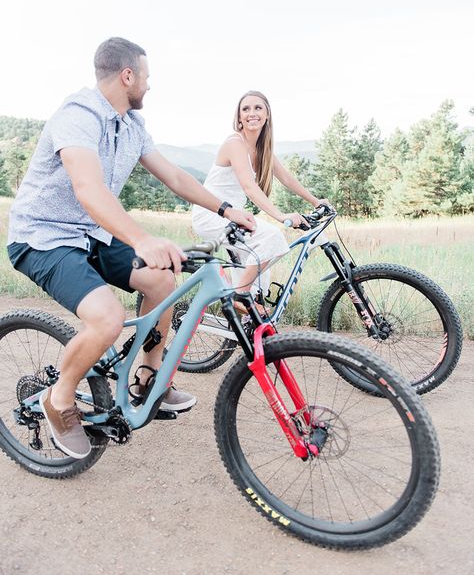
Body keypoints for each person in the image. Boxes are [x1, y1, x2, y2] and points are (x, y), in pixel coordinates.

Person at [7, 37, 256, 460]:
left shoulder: (131, 125)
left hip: (94, 236)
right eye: (146, 77)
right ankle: (59, 398)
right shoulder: (79, 115)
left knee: (163, 282)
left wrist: (226, 208)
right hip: (43, 237)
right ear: (128, 76)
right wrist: (142, 238)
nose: (148, 85)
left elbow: (174, 175)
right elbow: (88, 188)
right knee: (107, 318)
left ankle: (146, 378)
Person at [192, 91, 329, 312]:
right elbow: (248, 186)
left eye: (258, 108)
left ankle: (245, 328)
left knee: (261, 278)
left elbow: (286, 177)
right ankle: (239, 297)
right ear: (238, 117)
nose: (251, 113)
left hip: (234, 217)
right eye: (245, 109)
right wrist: (281, 216)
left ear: (267, 115)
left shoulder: (261, 149)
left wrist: (315, 201)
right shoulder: (234, 143)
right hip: (212, 214)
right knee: (272, 237)